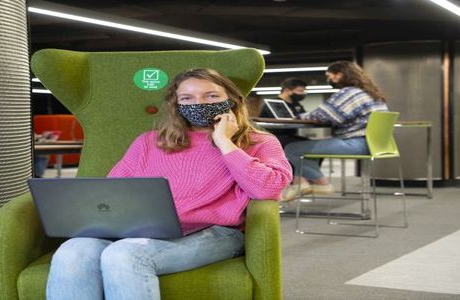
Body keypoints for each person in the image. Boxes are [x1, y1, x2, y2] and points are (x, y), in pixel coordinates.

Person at [46, 68, 292, 300]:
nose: (199, 103)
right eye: (187, 97)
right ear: (177, 105)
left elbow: (268, 188)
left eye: (211, 95)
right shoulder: (148, 142)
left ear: (232, 100)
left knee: (124, 255)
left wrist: (225, 143)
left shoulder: (260, 142)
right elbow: (113, 191)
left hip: (214, 232)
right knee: (72, 251)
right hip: (142, 229)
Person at [281, 61, 389, 201]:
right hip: (374, 144)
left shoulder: (350, 92)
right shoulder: (372, 94)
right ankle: (301, 183)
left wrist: (297, 117)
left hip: (357, 143)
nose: (329, 79)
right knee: (307, 148)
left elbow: (324, 115)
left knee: (292, 149)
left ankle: (321, 183)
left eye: (330, 76)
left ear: (340, 74)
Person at [259, 77, 310, 147]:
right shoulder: (273, 103)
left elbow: (305, 117)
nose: (302, 93)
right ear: (287, 90)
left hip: (290, 136)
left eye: (303, 91)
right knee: (306, 146)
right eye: (300, 91)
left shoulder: (297, 104)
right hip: (274, 137)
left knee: (312, 145)